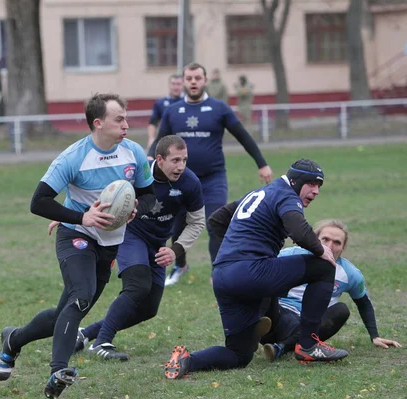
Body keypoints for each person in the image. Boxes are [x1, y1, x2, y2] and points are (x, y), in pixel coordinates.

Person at [0, 93, 156, 399]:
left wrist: (137, 209)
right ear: (98, 123)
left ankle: (13, 340)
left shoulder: (133, 153)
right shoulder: (74, 157)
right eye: (119, 119)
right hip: (75, 236)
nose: (126, 124)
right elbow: (38, 202)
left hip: (109, 244)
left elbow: (149, 194)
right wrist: (83, 216)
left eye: (125, 118)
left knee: (64, 315)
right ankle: (58, 371)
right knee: (81, 297)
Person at [163, 159, 350, 380]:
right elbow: (298, 230)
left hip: (224, 277)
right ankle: (308, 345)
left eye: (320, 186)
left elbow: (217, 220)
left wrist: (236, 252)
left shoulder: (260, 193)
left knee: (239, 354)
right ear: (295, 181)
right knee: (324, 268)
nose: (316, 191)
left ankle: (187, 360)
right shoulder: (286, 194)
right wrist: (321, 250)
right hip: (251, 271)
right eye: (311, 184)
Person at [67, 135, 205, 361]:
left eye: (184, 160)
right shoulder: (138, 175)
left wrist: (176, 250)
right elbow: (102, 192)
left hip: (158, 244)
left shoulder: (190, 183)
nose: (181, 166)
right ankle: (102, 342)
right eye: (175, 160)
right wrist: (73, 216)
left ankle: (86, 334)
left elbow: (197, 221)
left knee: (149, 308)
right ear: (159, 159)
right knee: (138, 285)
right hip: (130, 235)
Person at [148, 62, 273, 286]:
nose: (193, 82)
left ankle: (218, 271)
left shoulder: (219, 108)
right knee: (178, 226)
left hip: (213, 178)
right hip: (180, 180)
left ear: (205, 80)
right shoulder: (172, 111)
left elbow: (243, 136)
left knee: (215, 222)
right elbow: (159, 142)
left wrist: (262, 164)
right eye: (189, 78)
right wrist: (148, 161)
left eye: (197, 78)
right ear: (184, 82)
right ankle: (180, 266)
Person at [261, 219, 402, 362]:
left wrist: (375, 336)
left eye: (337, 242)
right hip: (277, 316)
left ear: (343, 248)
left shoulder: (349, 273)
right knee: (263, 286)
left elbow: (364, 303)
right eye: (325, 239)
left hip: (307, 325)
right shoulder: (290, 255)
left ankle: (282, 347)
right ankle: (250, 330)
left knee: (341, 310)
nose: (330, 246)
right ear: (314, 239)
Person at [146, 74, 183, 152]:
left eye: (178, 84)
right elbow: (153, 122)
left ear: (183, 85)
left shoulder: (188, 102)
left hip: (183, 141)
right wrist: (151, 138)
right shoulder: (160, 103)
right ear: (169, 85)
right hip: (166, 142)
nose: (176, 87)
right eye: (173, 84)